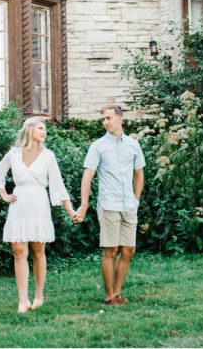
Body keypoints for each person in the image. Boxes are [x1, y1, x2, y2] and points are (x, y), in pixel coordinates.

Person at [0, 116, 80, 313]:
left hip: (39, 204)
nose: (44, 132)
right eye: (40, 128)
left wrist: (70, 210)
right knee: (19, 251)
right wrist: (4, 194)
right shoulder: (14, 153)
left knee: (38, 251)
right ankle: (22, 300)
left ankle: (39, 295)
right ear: (29, 130)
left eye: (44, 129)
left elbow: (58, 186)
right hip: (19, 204)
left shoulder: (48, 155)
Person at [76, 104, 146, 306]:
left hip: (129, 205)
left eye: (109, 118)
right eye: (103, 119)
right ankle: (109, 296)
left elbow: (139, 173)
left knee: (129, 250)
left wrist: (136, 199)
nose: (105, 122)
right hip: (109, 204)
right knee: (111, 251)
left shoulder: (133, 144)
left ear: (120, 119)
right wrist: (84, 204)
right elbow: (87, 176)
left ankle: (117, 292)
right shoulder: (97, 146)